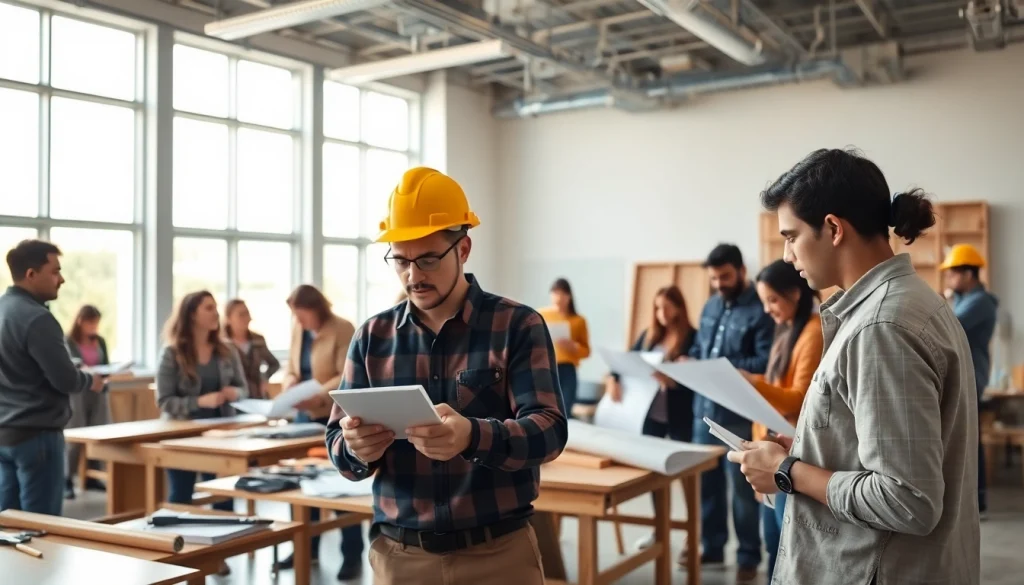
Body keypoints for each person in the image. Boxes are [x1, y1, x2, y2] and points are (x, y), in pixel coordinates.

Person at [731, 148, 979, 585]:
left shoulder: (882, 325)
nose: (787, 256)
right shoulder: (904, 305)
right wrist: (811, 447)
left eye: (791, 236)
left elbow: (908, 500)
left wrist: (787, 472)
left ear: (832, 228)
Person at [326, 167, 567, 585]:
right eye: (400, 260)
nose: (413, 276)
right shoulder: (371, 337)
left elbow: (549, 431)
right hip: (400, 558)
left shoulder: (517, 325)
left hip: (499, 555)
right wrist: (355, 449)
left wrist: (472, 436)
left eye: (428, 260)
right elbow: (337, 446)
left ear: (464, 248)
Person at [688, 243, 774, 583]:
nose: (719, 283)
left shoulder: (761, 310)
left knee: (742, 490)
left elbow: (765, 363)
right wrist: (691, 360)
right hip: (702, 410)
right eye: (714, 278)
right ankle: (711, 546)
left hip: (737, 413)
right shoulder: (710, 305)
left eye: (724, 276)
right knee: (706, 486)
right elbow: (699, 348)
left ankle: (748, 555)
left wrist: (723, 368)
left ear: (741, 270)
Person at [0, 240, 104, 515]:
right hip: (37, 437)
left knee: (8, 527)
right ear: (31, 274)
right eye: (55, 271)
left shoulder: (3, 310)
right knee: (42, 528)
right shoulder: (37, 319)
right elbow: (66, 380)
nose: (62, 279)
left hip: (5, 434)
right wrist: (89, 380)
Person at [737, 260, 822, 581]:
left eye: (773, 300)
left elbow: (799, 398)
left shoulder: (813, 332)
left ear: (794, 294)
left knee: (785, 551)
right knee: (773, 547)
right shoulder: (787, 329)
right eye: (763, 302)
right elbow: (778, 382)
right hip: (770, 446)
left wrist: (752, 382)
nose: (768, 310)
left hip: (791, 450)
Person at [274, 284, 363, 581]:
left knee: (337, 484)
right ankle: (304, 546)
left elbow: (346, 373)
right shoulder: (300, 330)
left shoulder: (342, 328)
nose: (298, 322)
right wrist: (289, 383)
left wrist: (319, 395)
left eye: (302, 315)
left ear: (316, 308)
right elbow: (292, 367)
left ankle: (351, 553)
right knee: (301, 482)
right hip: (302, 415)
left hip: (332, 413)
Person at [606, 285, 695, 554]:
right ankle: (659, 529)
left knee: (687, 477)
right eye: (657, 307)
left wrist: (675, 380)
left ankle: (693, 535)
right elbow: (623, 363)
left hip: (681, 416)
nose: (662, 313)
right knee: (655, 476)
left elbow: (700, 378)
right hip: (651, 416)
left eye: (667, 307)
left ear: (679, 307)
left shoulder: (692, 338)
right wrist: (612, 379)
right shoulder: (648, 337)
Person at [157, 292, 246, 508]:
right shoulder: (172, 353)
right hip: (182, 436)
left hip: (221, 434)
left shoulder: (227, 350)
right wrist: (200, 402)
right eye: (208, 308)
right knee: (181, 494)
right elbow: (164, 401)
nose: (216, 313)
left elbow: (244, 389)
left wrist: (234, 393)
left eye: (216, 307)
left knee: (224, 497)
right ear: (192, 314)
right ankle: (177, 541)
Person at [940, 243, 997, 518]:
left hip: (972, 376)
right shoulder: (965, 299)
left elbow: (948, 325)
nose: (948, 278)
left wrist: (944, 300)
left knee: (968, 440)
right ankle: (973, 501)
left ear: (967, 274)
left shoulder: (980, 302)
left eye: (952, 273)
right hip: (965, 375)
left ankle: (978, 502)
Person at [64, 304, 112, 499]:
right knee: (75, 435)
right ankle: (67, 479)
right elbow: (68, 364)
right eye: (91, 323)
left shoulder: (100, 341)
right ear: (81, 321)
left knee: (97, 431)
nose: (94, 327)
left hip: (98, 391)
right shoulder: (68, 340)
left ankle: (93, 476)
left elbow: (105, 364)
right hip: (78, 393)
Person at [538, 278, 590, 416]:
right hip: (546, 367)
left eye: (562, 294)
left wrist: (573, 347)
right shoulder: (541, 314)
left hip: (567, 369)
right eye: (555, 293)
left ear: (569, 297)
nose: (559, 298)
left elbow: (586, 351)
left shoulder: (578, 320)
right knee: (544, 407)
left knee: (565, 408)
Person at [223, 299, 281, 400]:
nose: (246, 318)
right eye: (241, 315)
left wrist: (264, 378)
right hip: (234, 399)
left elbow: (274, 364)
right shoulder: (222, 344)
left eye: (247, 313)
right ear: (228, 319)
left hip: (257, 396)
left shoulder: (258, 340)